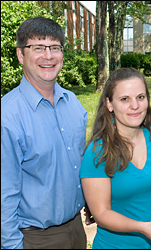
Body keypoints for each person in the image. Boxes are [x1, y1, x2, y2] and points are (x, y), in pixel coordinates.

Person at [79, 68, 151, 249]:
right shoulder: (98, 150)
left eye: (140, 97)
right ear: (109, 104)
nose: (135, 105)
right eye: (125, 99)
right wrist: (142, 228)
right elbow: (101, 213)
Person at [1, 17, 89, 248]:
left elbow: (77, 164)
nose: (48, 56)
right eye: (38, 47)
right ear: (21, 55)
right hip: (34, 238)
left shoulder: (73, 104)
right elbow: (4, 194)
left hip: (76, 230)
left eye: (55, 48)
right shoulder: (7, 116)